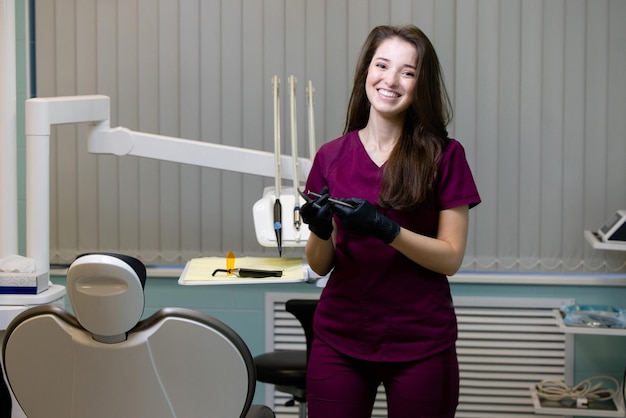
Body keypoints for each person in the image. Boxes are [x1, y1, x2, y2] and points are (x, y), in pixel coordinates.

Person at [300, 24, 481, 418]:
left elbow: (450, 258)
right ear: (367, 70)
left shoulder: (445, 157)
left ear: (421, 85)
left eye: (408, 71)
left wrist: (386, 229)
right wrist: (318, 231)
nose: (391, 80)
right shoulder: (331, 157)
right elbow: (319, 264)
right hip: (339, 340)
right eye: (382, 65)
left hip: (421, 345)